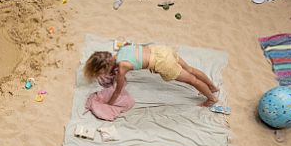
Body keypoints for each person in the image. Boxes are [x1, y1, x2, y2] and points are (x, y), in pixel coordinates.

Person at [84, 44, 219, 107]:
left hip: (163, 62)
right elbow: (137, 51)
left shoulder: (122, 68)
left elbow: (117, 91)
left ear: (105, 67)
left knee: (192, 81)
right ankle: (212, 87)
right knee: (190, 69)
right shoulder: (122, 49)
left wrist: (109, 104)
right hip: (161, 50)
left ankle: (211, 99)